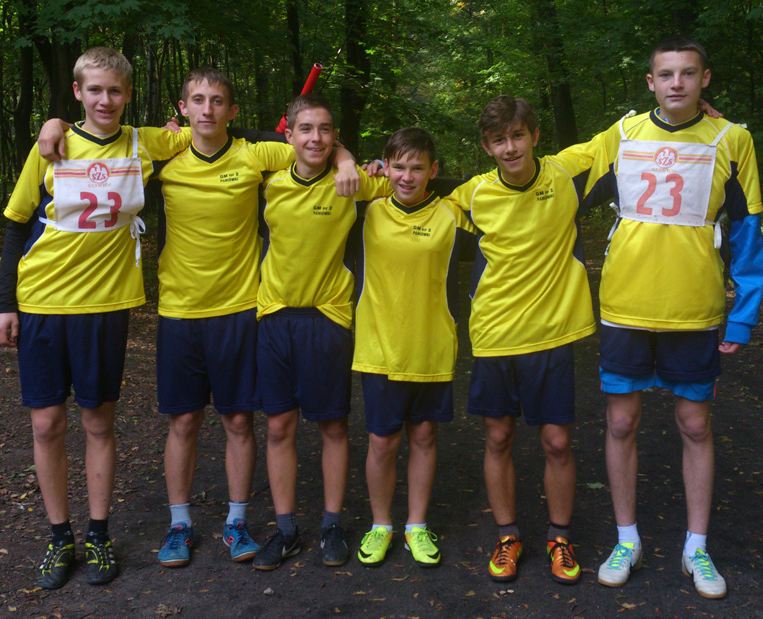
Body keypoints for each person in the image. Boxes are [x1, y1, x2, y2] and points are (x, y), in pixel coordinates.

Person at [35, 69, 359, 569]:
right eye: (198, 100)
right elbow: (100, 136)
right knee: (183, 420)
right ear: (183, 109)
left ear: (232, 110)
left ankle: (237, 521)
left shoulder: (256, 154)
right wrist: (55, 122)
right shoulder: (162, 152)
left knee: (237, 420)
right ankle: (180, 524)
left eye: (218, 101)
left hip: (238, 308)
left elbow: (312, 145)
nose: (208, 109)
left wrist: (347, 158)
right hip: (179, 309)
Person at [0, 47, 190, 589]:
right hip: (41, 301)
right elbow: (16, 224)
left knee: (98, 422)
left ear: (128, 94)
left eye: (115, 90)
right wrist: (4, 303)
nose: (106, 100)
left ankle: (99, 535)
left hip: (104, 306)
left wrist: (335, 153)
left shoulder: (145, 143)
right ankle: (60, 538)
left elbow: (212, 131)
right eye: (95, 90)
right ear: (78, 92)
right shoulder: (50, 145)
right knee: (46, 423)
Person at [581, 36, 763, 600]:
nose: (677, 83)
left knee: (695, 426)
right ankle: (626, 539)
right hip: (625, 308)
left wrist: (743, 316)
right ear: (651, 82)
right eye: (666, 74)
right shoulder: (621, 135)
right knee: (621, 424)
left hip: (693, 311)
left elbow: (747, 231)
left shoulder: (732, 140)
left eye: (688, 73)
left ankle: (696, 547)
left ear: (705, 79)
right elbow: (552, 180)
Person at [444, 95, 596, 585]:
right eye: (498, 140)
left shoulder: (566, 173)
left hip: (552, 333)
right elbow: (411, 195)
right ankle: (507, 536)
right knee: (498, 437)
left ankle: (559, 538)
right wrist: (361, 165)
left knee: (557, 441)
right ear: (486, 146)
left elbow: (628, 137)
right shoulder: (472, 194)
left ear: (534, 136)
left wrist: (698, 113)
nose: (509, 147)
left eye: (516, 136)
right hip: (495, 334)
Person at [251, 93, 392, 571]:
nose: (316, 138)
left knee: (333, 426)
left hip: (327, 317)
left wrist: (362, 163)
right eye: (306, 129)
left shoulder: (350, 183)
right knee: (278, 427)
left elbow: (406, 181)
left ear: (335, 137)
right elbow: (214, 147)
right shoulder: (267, 181)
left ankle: (332, 525)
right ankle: (286, 530)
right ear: (288, 135)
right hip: (274, 316)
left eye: (325, 130)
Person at [351, 128, 475, 568]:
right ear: (385, 167)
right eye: (399, 166)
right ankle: (381, 524)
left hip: (431, 345)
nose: (407, 176)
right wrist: (352, 162)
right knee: (382, 442)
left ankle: (416, 526)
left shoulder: (451, 214)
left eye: (418, 167)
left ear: (433, 170)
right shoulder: (366, 208)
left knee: (424, 437)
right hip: (379, 346)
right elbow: (315, 163)